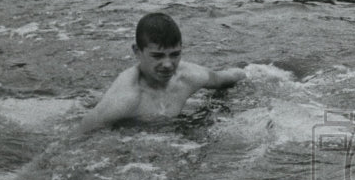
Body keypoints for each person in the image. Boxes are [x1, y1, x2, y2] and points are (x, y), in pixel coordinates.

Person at [78, 12, 246, 134]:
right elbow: (77, 135)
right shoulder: (126, 98)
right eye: (157, 56)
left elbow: (224, 78)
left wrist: (257, 71)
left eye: (175, 55)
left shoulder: (187, 76)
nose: (168, 65)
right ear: (137, 51)